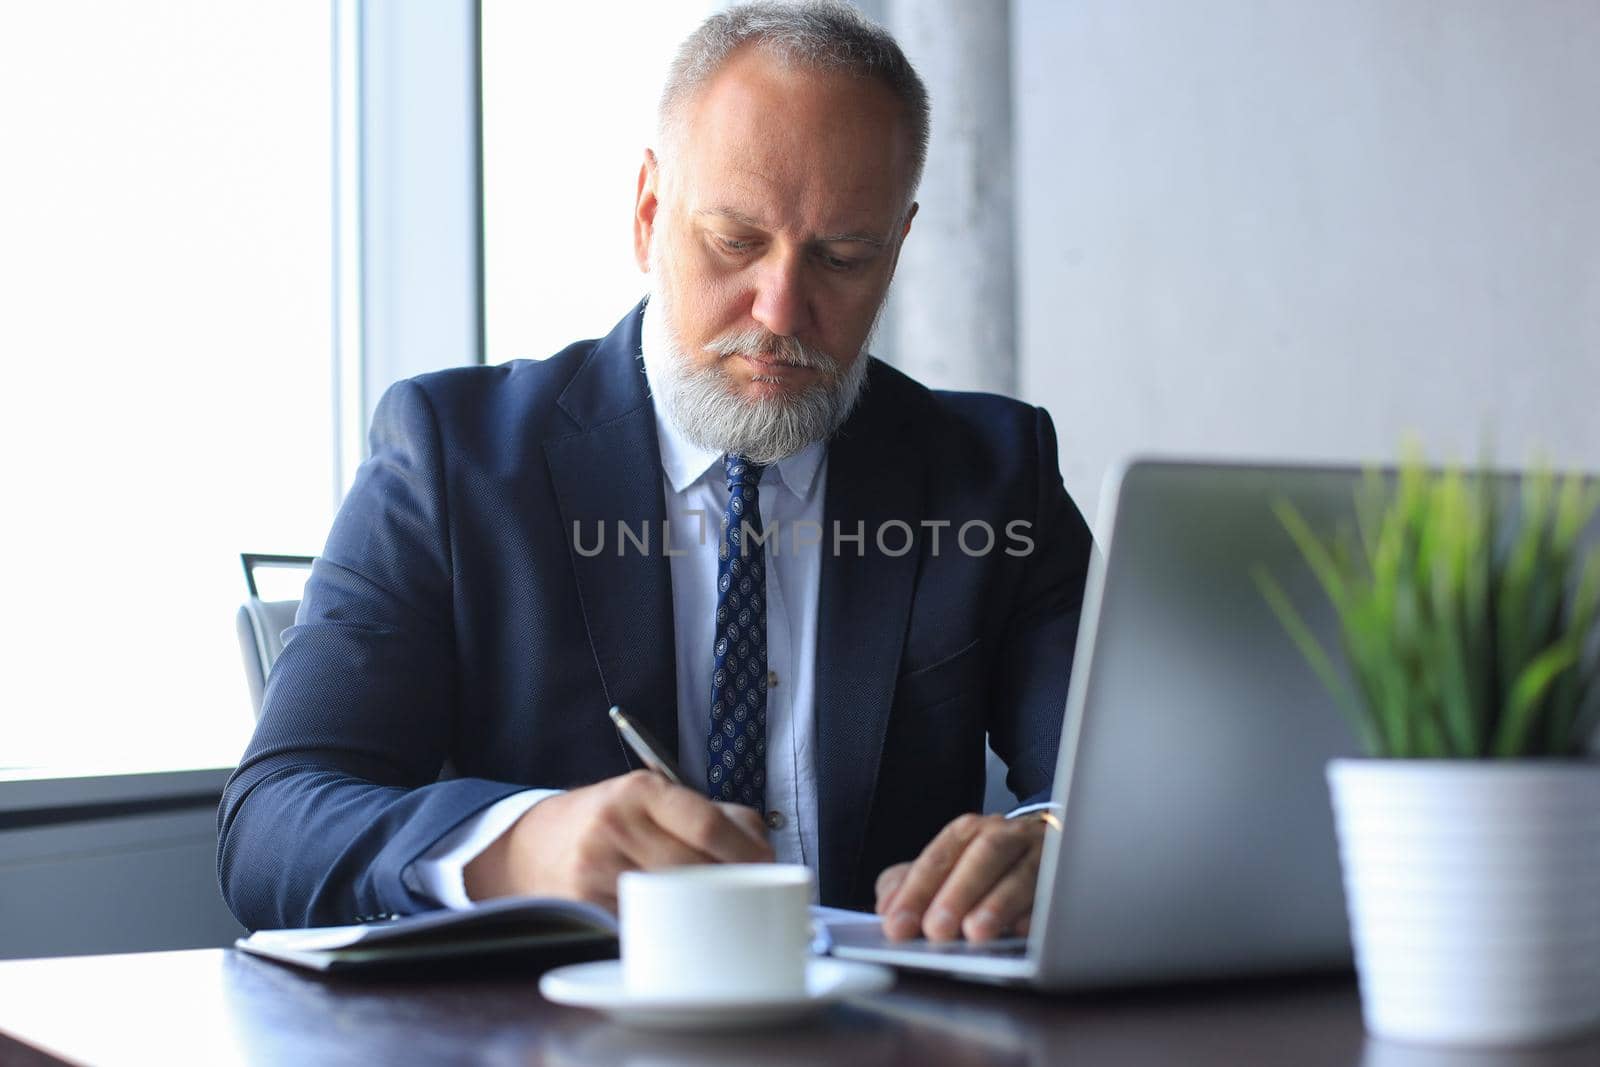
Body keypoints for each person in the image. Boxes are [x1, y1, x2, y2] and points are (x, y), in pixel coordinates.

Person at [218, 0, 1093, 946]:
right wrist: (517, 846)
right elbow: (271, 823)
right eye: (736, 241)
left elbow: (1131, 784)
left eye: (844, 257)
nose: (781, 308)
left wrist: (1055, 841)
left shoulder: (997, 476)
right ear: (648, 214)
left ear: (897, 249)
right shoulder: (451, 455)